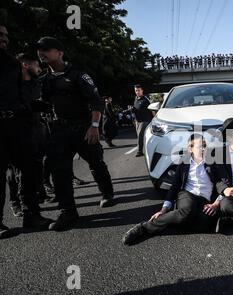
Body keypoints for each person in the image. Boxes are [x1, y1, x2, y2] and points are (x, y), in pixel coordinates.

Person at [38, 36, 115, 232]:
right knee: (60, 172)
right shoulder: (44, 81)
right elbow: (42, 104)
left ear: (60, 53)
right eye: (39, 50)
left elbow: (97, 101)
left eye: (46, 49)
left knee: (96, 163)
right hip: (58, 132)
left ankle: (107, 193)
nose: (41, 53)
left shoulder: (78, 75)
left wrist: (94, 126)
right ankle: (68, 212)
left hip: (83, 129)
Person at [1, 25, 53, 239]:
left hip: (18, 126)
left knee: (30, 169)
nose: (5, 38)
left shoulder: (12, 64)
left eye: (6, 34)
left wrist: (33, 106)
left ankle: (32, 215)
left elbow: (21, 95)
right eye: (0, 34)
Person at [122, 134, 222, 245]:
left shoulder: (213, 163)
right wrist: (164, 209)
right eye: (200, 146)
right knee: (187, 211)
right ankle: (144, 228)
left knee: (206, 223)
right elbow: (174, 187)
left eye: (204, 146)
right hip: (187, 195)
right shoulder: (184, 163)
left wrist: (216, 204)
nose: (203, 149)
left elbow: (222, 185)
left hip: (204, 200)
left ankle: (179, 220)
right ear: (190, 149)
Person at [130, 85, 155, 157]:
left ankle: (139, 151)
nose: (137, 92)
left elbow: (152, 109)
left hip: (145, 120)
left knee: (140, 136)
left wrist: (154, 119)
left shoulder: (146, 99)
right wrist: (132, 109)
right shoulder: (136, 99)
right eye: (136, 90)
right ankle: (148, 149)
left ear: (142, 90)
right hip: (137, 121)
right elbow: (136, 108)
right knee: (140, 136)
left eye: (139, 90)